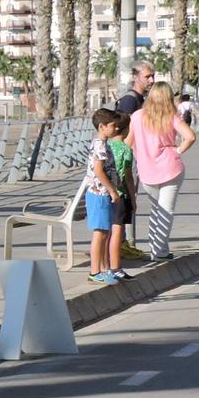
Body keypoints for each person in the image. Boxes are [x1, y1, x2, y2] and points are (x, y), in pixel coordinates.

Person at [131, 81, 195, 263]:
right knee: (166, 209)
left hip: (146, 170)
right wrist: (178, 150)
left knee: (156, 209)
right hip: (170, 167)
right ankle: (159, 251)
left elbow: (129, 142)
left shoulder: (137, 116)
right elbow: (190, 137)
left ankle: (159, 248)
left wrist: (138, 156)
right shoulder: (172, 117)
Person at [86, 108, 123, 283]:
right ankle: (95, 271)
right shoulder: (100, 145)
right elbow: (99, 171)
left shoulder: (99, 143)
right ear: (102, 126)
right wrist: (112, 190)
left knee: (104, 232)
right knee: (100, 233)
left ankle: (103, 268)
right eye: (113, 126)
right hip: (99, 193)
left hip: (99, 193)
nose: (116, 129)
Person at [107, 110, 137, 270]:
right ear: (125, 129)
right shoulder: (126, 150)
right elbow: (128, 177)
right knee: (118, 233)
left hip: (106, 194)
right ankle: (115, 266)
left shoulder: (107, 146)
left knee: (107, 231)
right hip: (120, 194)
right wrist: (133, 198)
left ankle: (106, 264)